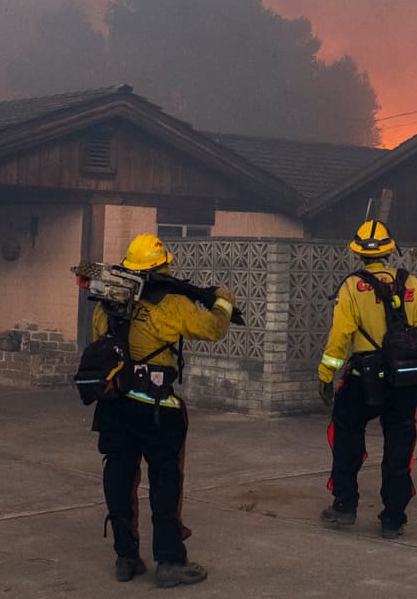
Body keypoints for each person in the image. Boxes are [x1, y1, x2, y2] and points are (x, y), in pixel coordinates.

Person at [92, 233, 235, 588]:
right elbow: (214, 329)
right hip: (157, 408)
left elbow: (100, 341)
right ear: (162, 266)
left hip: (114, 405)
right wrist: (224, 301)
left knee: (120, 478)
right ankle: (169, 561)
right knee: (165, 481)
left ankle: (126, 558)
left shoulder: (106, 305)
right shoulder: (171, 305)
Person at [317, 220, 417, 538]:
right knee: (399, 445)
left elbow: (340, 336)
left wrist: (326, 374)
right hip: (405, 381)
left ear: (359, 254)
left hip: (363, 378)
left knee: (346, 438)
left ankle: (344, 506)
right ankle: (393, 518)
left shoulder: (352, 287)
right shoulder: (412, 284)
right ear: (388, 251)